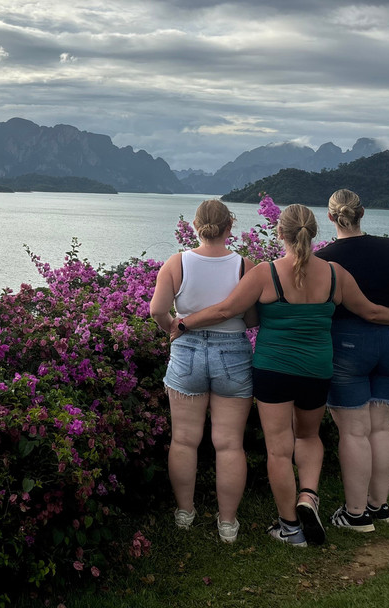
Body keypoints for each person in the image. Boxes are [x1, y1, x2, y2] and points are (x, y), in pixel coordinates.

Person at [170, 204, 389, 547]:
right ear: (313, 233)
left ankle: (289, 526)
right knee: (309, 437)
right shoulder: (334, 274)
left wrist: (183, 323)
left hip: (273, 371)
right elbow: (370, 312)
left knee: (279, 449)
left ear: (279, 234)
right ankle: (308, 495)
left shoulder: (264, 273)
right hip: (317, 370)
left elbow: (226, 310)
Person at [315, 189, 389, 532]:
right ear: (363, 213)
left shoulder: (324, 257)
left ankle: (356, 513)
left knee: (353, 431)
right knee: (380, 426)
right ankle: (380, 506)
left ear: (331, 217)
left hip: (347, 342)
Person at [149, 200, 257, 544]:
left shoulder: (177, 262)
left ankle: (185, 513)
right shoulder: (245, 266)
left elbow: (156, 310)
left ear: (196, 226)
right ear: (230, 227)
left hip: (187, 351)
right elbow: (253, 319)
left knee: (183, 440)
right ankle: (227, 524)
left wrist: (173, 328)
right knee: (228, 444)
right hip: (233, 354)